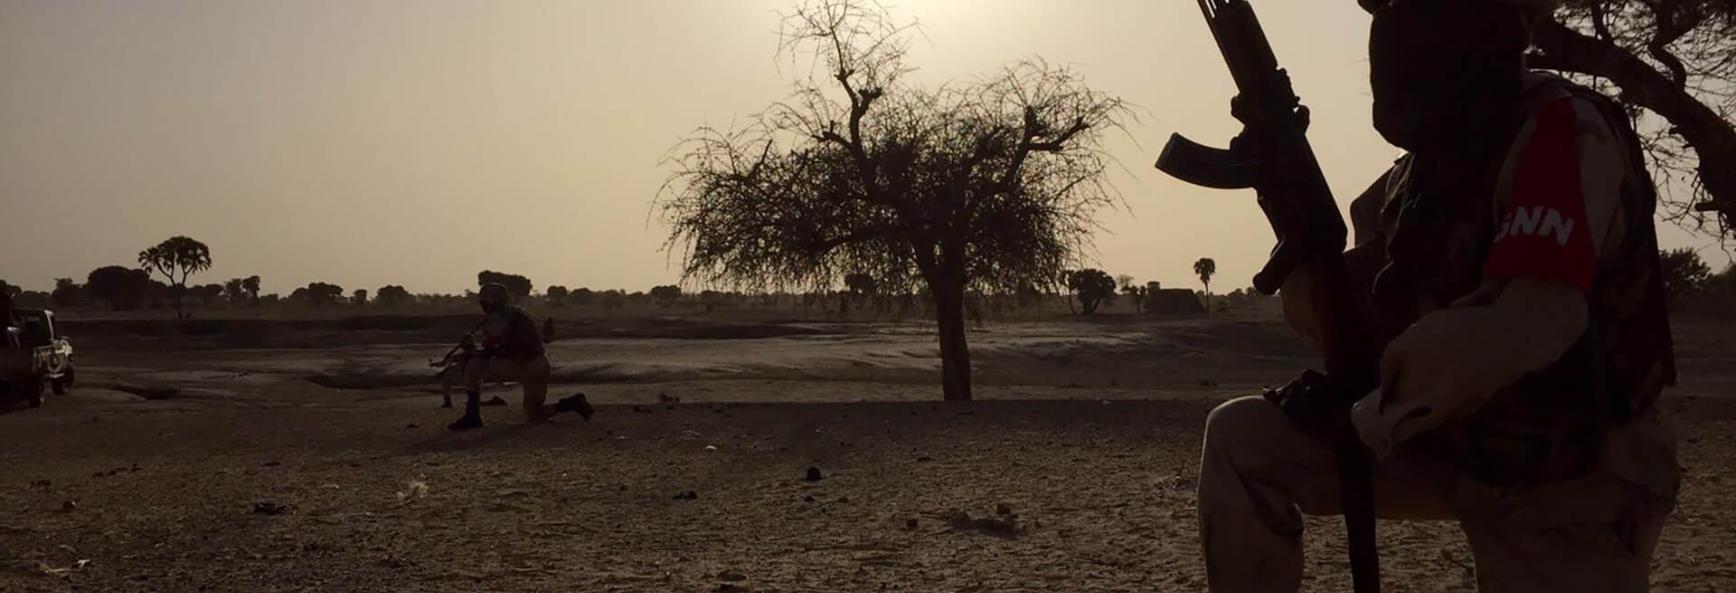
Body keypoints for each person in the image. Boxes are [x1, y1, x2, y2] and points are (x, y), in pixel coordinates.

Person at [1197, 1, 1679, 591]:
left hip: (1573, 475)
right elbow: (1342, 320)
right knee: (1242, 442)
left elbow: (1529, 321)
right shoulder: (1419, 176)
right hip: (1456, 442)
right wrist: (1282, 194)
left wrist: (1372, 416)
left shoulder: (1559, 132)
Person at [448, 283, 594, 430]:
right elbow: (495, 346)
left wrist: (482, 353)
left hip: (531, 365)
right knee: (534, 414)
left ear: (493, 300)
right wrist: (473, 349)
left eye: (484, 300)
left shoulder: (515, 318)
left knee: (474, 367)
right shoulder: (496, 318)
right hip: (526, 365)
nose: (482, 304)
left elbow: (522, 348)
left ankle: (472, 416)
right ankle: (572, 404)